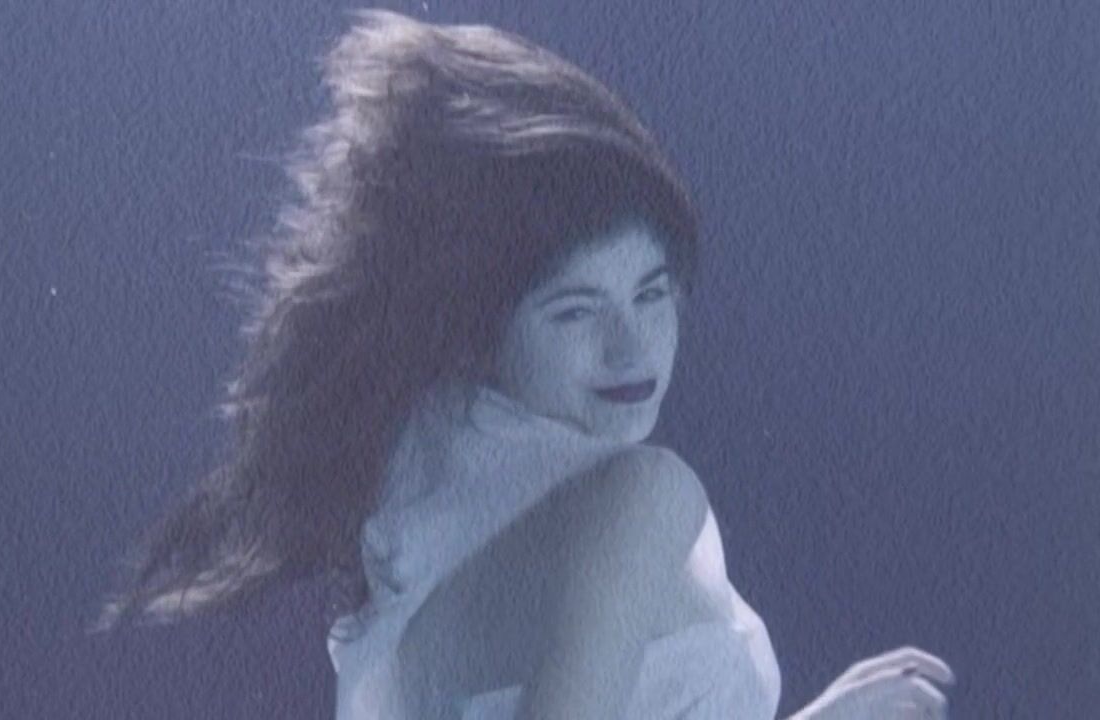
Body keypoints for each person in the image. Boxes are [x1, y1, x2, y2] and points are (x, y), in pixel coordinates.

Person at [96, 9, 954, 719]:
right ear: (482, 332)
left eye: (652, 292)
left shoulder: (419, 559)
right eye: (575, 310)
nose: (632, 348)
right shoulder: (638, 502)